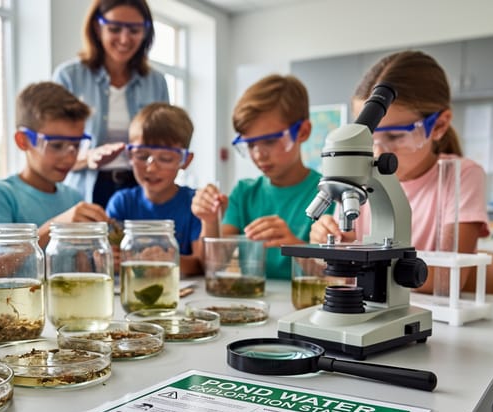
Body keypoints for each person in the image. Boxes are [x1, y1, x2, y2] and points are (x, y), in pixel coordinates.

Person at [309, 50, 489, 293]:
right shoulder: (359, 178)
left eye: (394, 135)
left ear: (439, 126)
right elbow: (338, 275)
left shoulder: (460, 176)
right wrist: (329, 245)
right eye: (368, 137)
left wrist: (363, 266)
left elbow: (445, 280)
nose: (378, 151)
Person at [191, 74, 327, 279]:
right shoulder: (244, 193)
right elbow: (214, 264)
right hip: (254, 305)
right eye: (251, 144)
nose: (258, 155)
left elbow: (335, 276)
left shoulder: (329, 194)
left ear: (302, 131)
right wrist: (209, 221)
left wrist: (295, 247)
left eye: (270, 141)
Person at [53, 0, 170, 208]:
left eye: (134, 30)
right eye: (115, 29)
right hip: (87, 189)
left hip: (140, 189)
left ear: (145, 32)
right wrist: (88, 157)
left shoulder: (156, 82)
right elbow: (53, 150)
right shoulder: (69, 77)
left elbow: (166, 142)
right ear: (98, 28)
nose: (125, 39)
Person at [0, 82, 108, 248]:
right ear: (23, 141)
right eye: (56, 145)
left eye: (76, 145)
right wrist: (56, 227)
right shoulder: (1, 195)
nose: (69, 157)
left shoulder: (73, 198)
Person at [106, 103, 202, 276]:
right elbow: (109, 255)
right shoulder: (121, 202)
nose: (151, 168)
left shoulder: (194, 204)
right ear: (129, 155)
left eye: (165, 158)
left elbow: (200, 264)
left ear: (185, 161)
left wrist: (167, 262)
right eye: (142, 156)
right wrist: (109, 259)